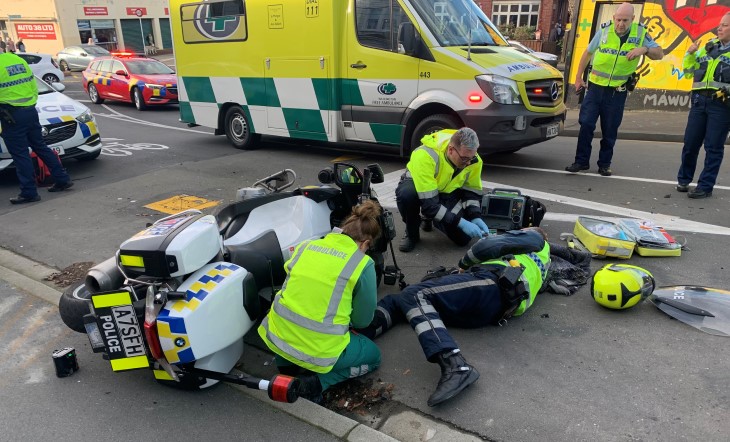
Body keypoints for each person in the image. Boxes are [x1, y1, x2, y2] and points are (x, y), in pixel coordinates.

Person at [356, 228, 550, 406]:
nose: (516, 232)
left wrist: (463, 266)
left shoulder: (535, 237)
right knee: (404, 304)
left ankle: (456, 366)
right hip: (497, 308)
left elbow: (486, 246)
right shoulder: (544, 259)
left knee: (414, 295)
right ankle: (357, 335)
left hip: (492, 284)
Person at [257, 200, 383, 403]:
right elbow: (362, 321)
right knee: (374, 357)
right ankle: (317, 383)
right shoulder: (362, 263)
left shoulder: (307, 245)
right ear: (365, 243)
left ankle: (288, 368)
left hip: (278, 338)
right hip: (320, 351)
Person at [565, 3, 664, 176]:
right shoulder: (604, 31)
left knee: (610, 129)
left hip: (617, 92)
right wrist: (578, 77)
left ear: (632, 19)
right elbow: (587, 53)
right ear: (613, 18)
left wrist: (645, 49)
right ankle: (581, 161)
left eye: (625, 20)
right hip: (595, 88)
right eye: (618, 19)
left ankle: (604, 164)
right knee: (586, 124)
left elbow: (659, 54)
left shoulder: (640, 33)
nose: (621, 24)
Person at [396, 127, 489, 253]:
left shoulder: (473, 159)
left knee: (463, 239)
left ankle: (432, 218)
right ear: (451, 150)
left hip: (446, 191)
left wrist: (475, 216)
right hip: (420, 189)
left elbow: (471, 192)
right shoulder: (425, 155)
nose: (468, 163)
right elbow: (430, 204)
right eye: (464, 159)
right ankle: (412, 233)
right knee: (407, 195)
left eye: (471, 158)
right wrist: (460, 222)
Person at [0, 51, 73, 204]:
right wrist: (30, 104)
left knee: (20, 155)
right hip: (30, 110)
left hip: (10, 115)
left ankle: (29, 192)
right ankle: (62, 178)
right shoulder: (17, 59)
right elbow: (32, 84)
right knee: (40, 146)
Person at [675, 12, 730, 199]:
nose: (719, 28)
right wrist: (689, 54)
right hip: (699, 102)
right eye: (720, 24)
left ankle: (705, 187)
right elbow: (689, 72)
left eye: (724, 25)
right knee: (690, 143)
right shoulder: (708, 47)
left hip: (721, 106)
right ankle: (683, 180)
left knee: (713, 147)